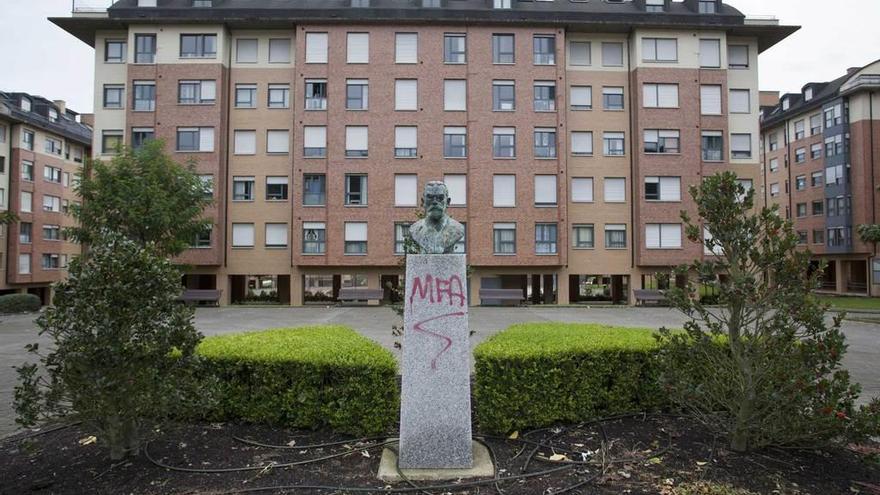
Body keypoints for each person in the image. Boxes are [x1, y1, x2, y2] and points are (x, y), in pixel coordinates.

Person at [409, 181, 465, 254]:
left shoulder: (458, 229)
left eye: (440, 198)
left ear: (448, 202)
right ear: (423, 202)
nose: (435, 202)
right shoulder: (414, 229)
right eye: (430, 197)